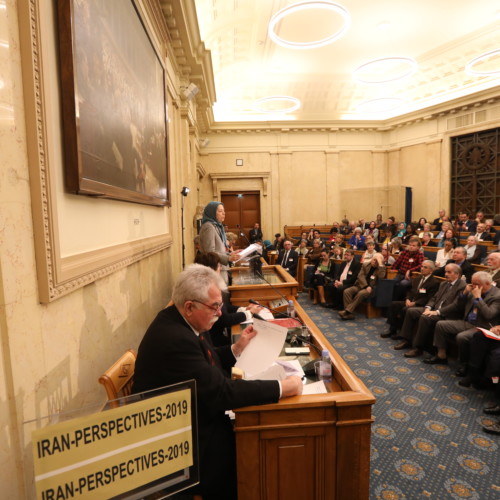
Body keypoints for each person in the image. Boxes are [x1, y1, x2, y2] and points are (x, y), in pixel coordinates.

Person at [132, 264, 302, 500]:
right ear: (190, 306)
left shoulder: (180, 320)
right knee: (250, 445)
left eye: (220, 305)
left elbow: (204, 360)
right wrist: (283, 387)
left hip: (185, 417)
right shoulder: (176, 339)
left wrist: (236, 347)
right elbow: (221, 394)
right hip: (178, 443)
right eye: (214, 307)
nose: (220, 313)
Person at [424, 271, 500, 366]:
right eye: (472, 283)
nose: (474, 286)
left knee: (461, 337)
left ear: (487, 284)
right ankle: (441, 355)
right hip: (467, 322)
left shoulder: (497, 295)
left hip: (482, 327)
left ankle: (464, 364)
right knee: (440, 324)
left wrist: (478, 298)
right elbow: (458, 305)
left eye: (477, 284)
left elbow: (489, 314)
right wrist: (465, 293)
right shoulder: (473, 289)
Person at [393, 264, 466, 357]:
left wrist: (437, 312)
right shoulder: (444, 283)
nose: (446, 274)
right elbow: (434, 298)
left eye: (449, 272)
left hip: (446, 314)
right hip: (433, 309)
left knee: (425, 317)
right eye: (445, 272)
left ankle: (418, 348)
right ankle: (407, 340)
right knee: (411, 311)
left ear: (457, 274)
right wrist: (428, 307)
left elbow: (456, 305)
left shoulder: (462, 286)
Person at [195, 252, 263, 346]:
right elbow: (224, 319)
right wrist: (250, 313)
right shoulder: (206, 290)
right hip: (214, 341)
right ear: (211, 270)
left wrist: (243, 309)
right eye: (219, 266)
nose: (221, 268)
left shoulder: (209, 284)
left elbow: (224, 306)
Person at [383, 260, 439, 339]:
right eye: (422, 266)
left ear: (431, 270)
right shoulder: (418, 278)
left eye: (425, 267)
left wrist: (415, 303)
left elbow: (429, 298)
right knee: (393, 304)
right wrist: (407, 299)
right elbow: (410, 291)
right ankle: (392, 329)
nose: (422, 269)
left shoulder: (434, 282)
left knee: (406, 309)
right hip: (410, 301)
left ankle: (403, 333)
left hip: (420, 305)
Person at [199, 201, 240, 284]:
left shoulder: (217, 226)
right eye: (220, 211)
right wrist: (228, 258)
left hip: (221, 269)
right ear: (212, 212)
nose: (224, 213)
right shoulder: (208, 227)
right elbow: (210, 253)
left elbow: (219, 250)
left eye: (224, 211)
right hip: (215, 271)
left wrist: (230, 254)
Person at [338, 253, 386, 321]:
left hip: (370, 289)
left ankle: (347, 311)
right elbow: (360, 276)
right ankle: (349, 313)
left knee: (361, 293)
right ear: (371, 259)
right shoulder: (365, 264)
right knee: (347, 291)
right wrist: (366, 286)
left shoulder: (381, 268)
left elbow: (381, 277)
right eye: (374, 260)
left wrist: (380, 264)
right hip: (361, 285)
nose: (375, 262)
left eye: (377, 261)